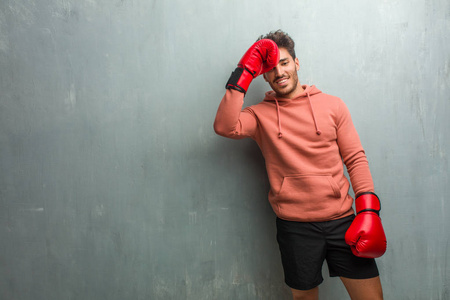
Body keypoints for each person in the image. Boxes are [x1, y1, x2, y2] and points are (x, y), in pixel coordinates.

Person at [213, 30, 387, 300]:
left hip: (343, 221)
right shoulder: (259, 115)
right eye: (269, 68)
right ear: (263, 75)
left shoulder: (333, 105)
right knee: (304, 298)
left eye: (284, 63)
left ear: (296, 63)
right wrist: (243, 72)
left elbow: (355, 158)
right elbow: (224, 127)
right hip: (295, 227)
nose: (278, 72)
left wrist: (368, 210)